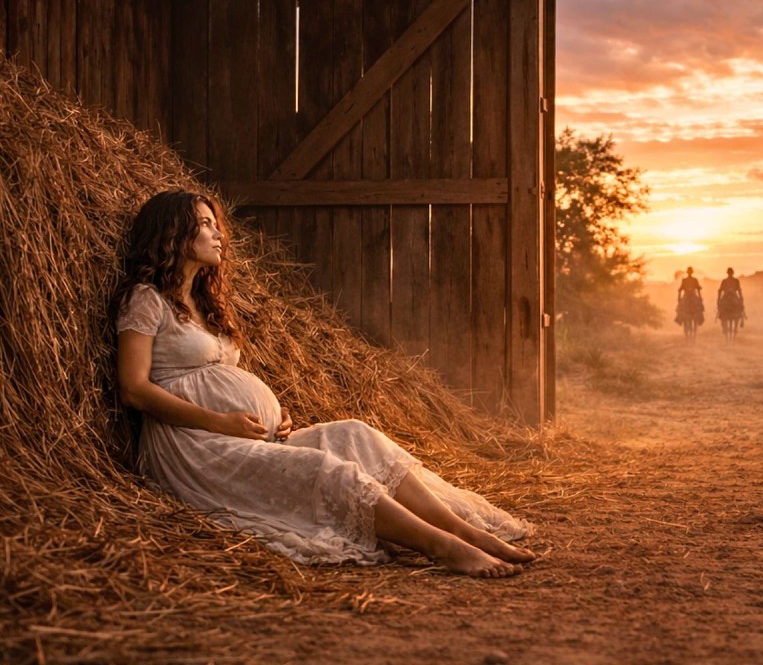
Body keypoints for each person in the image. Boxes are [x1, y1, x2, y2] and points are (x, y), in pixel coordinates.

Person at [112, 190, 534, 577]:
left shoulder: (204, 302)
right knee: (324, 469)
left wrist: (271, 415)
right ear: (172, 233)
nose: (217, 233)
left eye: (213, 222)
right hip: (194, 446)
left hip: (248, 437)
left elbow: (224, 378)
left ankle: (466, 531)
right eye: (203, 224)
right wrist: (220, 422)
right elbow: (134, 388)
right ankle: (441, 546)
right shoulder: (146, 300)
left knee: (355, 434)